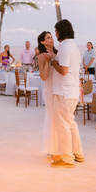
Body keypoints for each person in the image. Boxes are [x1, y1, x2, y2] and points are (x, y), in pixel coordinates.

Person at [50, 19, 84, 168]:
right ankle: (78, 153)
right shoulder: (74, 46)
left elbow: (63, 70)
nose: (55, 34)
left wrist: (53, 62)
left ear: (60, 32)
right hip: (72, 91)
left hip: (64, 92)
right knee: (70, 123)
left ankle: (67, 158)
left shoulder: (64, 47)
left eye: (56, 31)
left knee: (63, 125)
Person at [37, 31, 59, 161]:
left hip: (60, 88)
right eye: (48, 38)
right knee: (52, 117)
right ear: (42, 42)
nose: (51, 39)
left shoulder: (57, 52)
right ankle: (52, 148)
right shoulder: (41, 56)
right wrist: (48, 61)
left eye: (51, 37)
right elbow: (43, 76)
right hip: (50, 89)